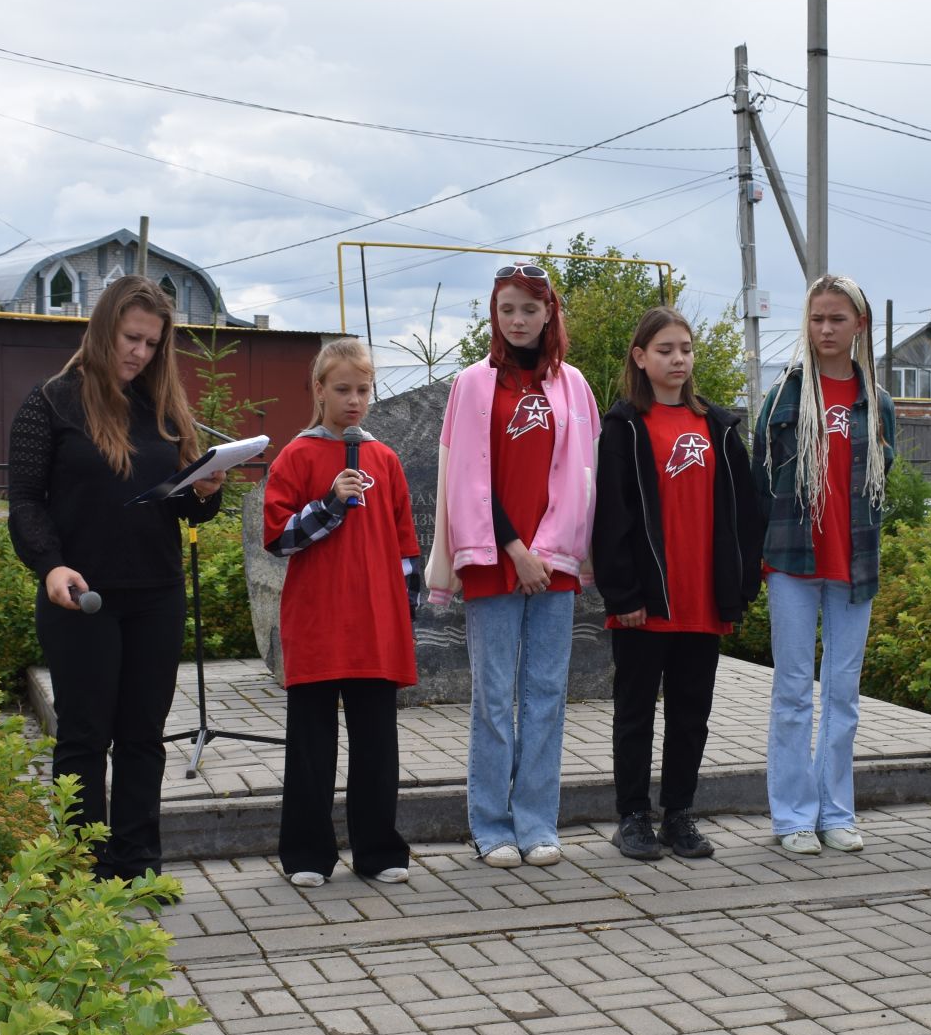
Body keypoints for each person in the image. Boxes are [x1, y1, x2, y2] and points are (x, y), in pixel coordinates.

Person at [6, 275, 226, 881]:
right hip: (81, 597)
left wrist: (206, 491)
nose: (140, 353)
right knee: (84, 737)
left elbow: (179, 505)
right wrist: (49, 564)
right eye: (132, 338)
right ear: (104, 329)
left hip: (156, 592)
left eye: (153, 344)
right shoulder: (50, 401)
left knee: (142, 738)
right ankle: (83, 872)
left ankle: (138, 867)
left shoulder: (162, 407)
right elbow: (24, 501)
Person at [425, 263, 599, 869]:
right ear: (494, 316)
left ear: (549, 312)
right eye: (507, 310)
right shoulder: (474, 384)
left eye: (530, 308)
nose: (518, 320)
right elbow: (466, 475)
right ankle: (492, 824)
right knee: (494, 695)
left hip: (556, 564)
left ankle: (537, 821)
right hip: (493, 559)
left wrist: (547, 551)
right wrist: (516, 549)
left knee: (547, 693)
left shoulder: (574, 385)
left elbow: (581, 478)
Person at [592, 307, 762, 861]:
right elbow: (611, 519)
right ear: (641, 358)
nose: (678, 359)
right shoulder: (623, 428)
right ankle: (633, 817)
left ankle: (680, 815)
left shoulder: (717, 426)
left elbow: (746, 512)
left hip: (702, 600)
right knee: (635, 712)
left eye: (685, 349)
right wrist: (624, 595)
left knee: (692, 713)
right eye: (665, 350)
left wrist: (738, 589)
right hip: (646, 604)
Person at [262, 338, 420, 888]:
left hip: (375, 625)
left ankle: (378, 849)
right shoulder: (296, 456)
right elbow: (279, 539)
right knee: (312, 747)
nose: (354, 401)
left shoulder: (384, 458)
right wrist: (328, 503)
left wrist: (408, 601)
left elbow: (405, 541)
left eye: (363, 390)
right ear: (319, 390)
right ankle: (307, 853)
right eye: (342, 389)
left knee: (376, 745)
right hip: (317, 623)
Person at [752, 275, 898, 856]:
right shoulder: (786, 394)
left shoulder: (877, 402)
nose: (827, 329)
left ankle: (836, 812)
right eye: (817, 319)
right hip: (791, 560)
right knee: (791, 691)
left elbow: (879, 488)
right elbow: (761, 479)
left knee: (843, 692)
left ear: (858, 324)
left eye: (838, 319)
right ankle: (791, 816)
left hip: (852, 564)